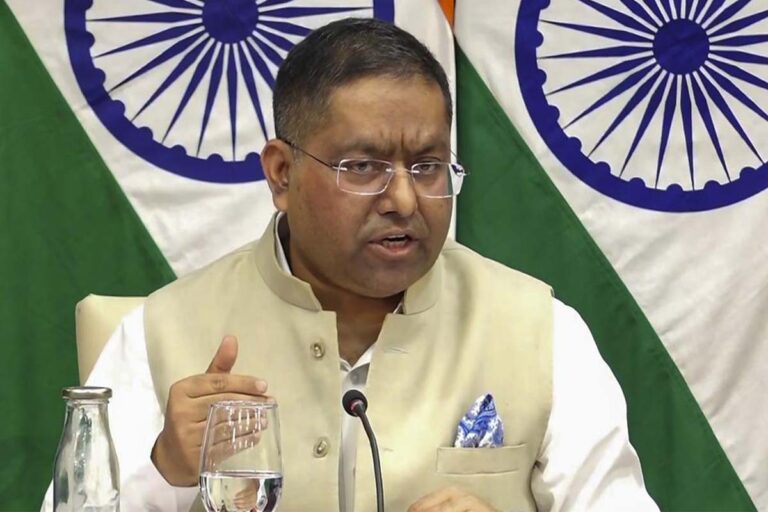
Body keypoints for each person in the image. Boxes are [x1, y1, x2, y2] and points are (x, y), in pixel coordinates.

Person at [43, 17, 658, 512]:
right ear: (281, 175)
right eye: (363, 167)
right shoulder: (163, 334)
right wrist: (164, 470)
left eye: (428, 166)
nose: (404, 200)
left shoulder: (541, 332)